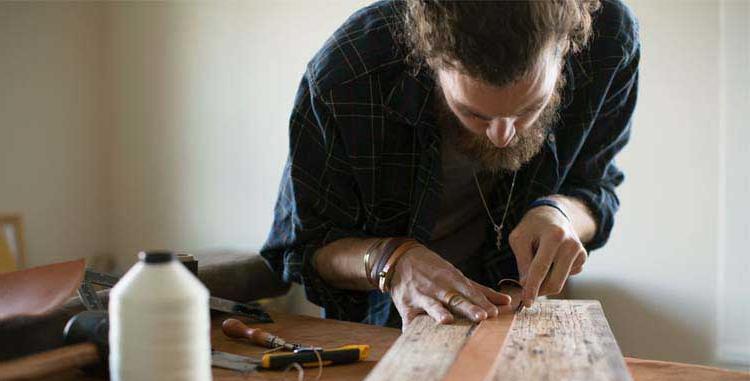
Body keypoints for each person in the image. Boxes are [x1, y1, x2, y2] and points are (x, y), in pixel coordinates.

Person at [261, 0, 640, 329]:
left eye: (529, 108)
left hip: (520, 321)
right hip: (390, 326)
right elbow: (304, 249)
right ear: (426, 57)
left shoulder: (609, 42)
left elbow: (595, 190)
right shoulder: (348, 74)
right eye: (473, 113)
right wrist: (390, 261)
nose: (502, 136)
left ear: (570, 47)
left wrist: (561, 213)